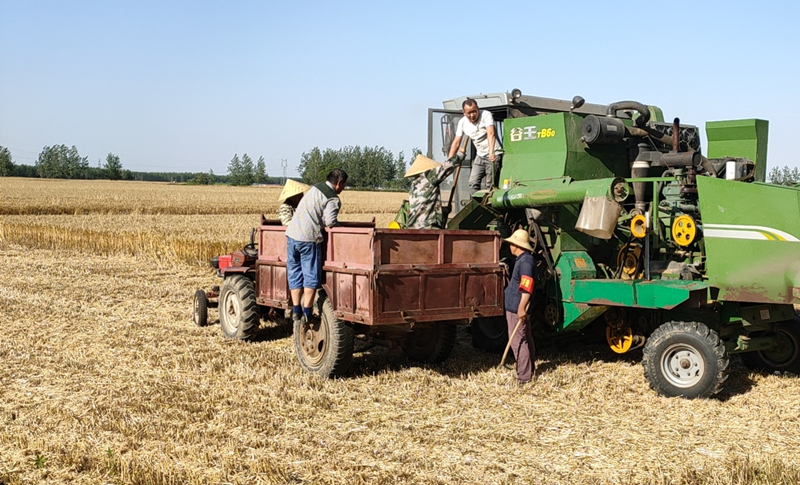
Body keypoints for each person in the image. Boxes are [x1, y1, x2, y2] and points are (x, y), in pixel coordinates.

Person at [285, 169, 348, 323]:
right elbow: (330, 222)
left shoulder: (315, 188)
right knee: (310, 276)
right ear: (339, 183)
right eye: (344, 185)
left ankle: (296, 310)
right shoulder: (332, 198)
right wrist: (342, 229)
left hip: (292, 235)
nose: (343, 188)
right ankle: (307, 312)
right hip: (308, 238)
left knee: (294, 273)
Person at [447, 98, 503, 195]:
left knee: (490, 184)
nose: (472, 115)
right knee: (473, 183)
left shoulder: (486, 115)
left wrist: (491, 152)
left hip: (493, 154)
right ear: (464, 112)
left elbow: (491, 133)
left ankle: (490, 203)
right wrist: (449, 162)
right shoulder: (462, 122)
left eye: (474, 111)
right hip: (480, 155)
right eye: (469, 113)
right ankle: (477, 203)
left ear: (478, 109)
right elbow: (456, 142)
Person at [503, 229, 537, 384]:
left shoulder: (525, 262)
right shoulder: (524, 260)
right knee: (525, 337)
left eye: (512, 243)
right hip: (516, 305)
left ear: (516, 246)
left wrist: (521, 307)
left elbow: (526, 286)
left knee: (518, 340)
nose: (510, 246)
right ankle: (529, 370)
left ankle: (524, 377)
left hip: (516, 307)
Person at [402, 154, 459, 229]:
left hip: (414, 227)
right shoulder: (428, 177)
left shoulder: (415, 184)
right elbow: (446, 167)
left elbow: (425, 206)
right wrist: (459, 155)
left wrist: (445, 210)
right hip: (426, 227)